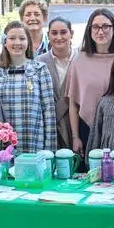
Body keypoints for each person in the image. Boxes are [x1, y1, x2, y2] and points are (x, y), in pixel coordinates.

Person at [0, 21, 57, 153]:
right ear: (5, 42)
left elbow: (48, 111)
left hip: (34, 144)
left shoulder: (40, 69)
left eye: (22, 38)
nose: (17, 43)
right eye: (12, 38)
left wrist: (49, 150)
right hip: (2, 147)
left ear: (28, 42)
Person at [67, 8, 114, 153]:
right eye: (95, 27)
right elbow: (73, 104)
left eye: (105, 26)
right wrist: (75, 137)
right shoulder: (79, 60)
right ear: (89, 30)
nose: (100, 31)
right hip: (87, 129)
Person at [38, 17, 76, 149]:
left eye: (63, 32)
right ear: (48, 35)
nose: (59, 37)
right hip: (50, 125)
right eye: (54, 33)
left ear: (71, 33)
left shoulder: (82, 59)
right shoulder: (39, 62)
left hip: (77, 123)